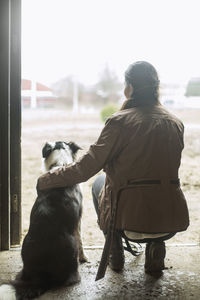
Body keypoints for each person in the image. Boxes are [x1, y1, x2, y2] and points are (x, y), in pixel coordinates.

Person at [37, 61, 189, 275]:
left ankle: (114, 246)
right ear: (156, 88)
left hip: (129, 219)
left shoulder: (119, 122)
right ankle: (156, 247)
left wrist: (47, 179)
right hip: (170, 218)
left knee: (99, 183)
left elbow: (84, 169)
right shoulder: (176, 123)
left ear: (129, 88)